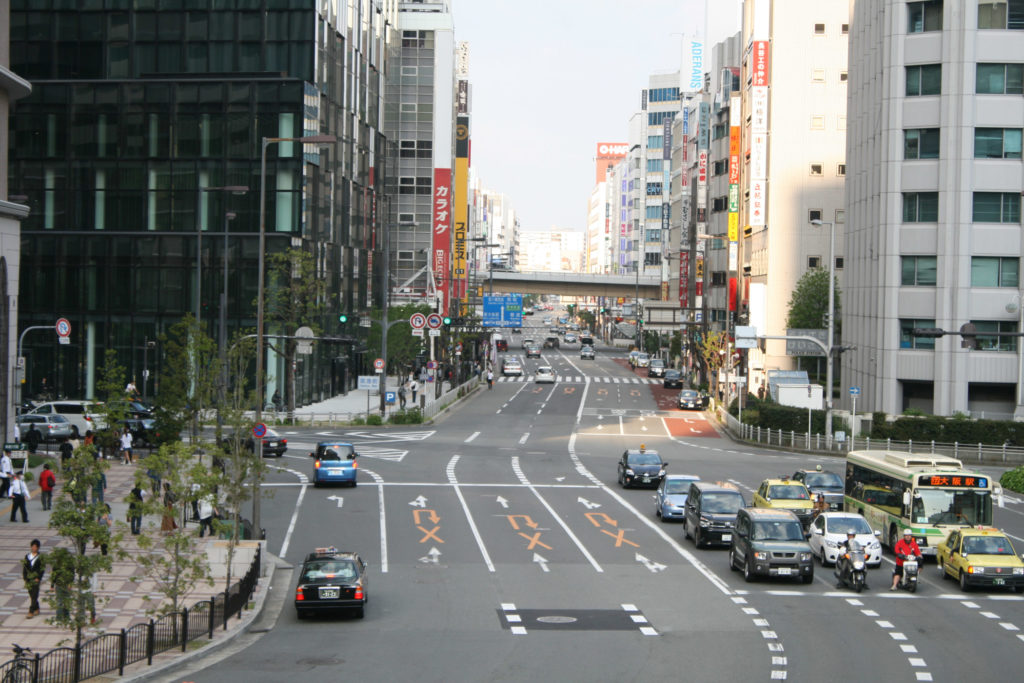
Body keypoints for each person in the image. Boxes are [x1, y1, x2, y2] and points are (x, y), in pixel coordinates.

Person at [49, 547, 73, 621]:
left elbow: (72, 574)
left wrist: (70, 583)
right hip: (59, 584)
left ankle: (67, 616)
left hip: (66, 584)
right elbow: (54, 575)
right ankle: (59, 617)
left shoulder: (69, 564)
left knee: (67, 601)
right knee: (59, 601)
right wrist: (52, 585)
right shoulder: (57, 564)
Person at [22, 539, 44, 617]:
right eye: (33, 546)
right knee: (32, 595)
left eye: (35, 547)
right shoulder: (27, 556)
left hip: (36, 579)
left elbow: (42, 569)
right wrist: (25, 577)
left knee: (35, 594)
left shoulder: (40, 557)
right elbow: (24, 567)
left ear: (38, 548)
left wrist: (38, 577)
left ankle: (31, 611)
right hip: (28, 579)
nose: (34, 548)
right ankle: (37, 608)